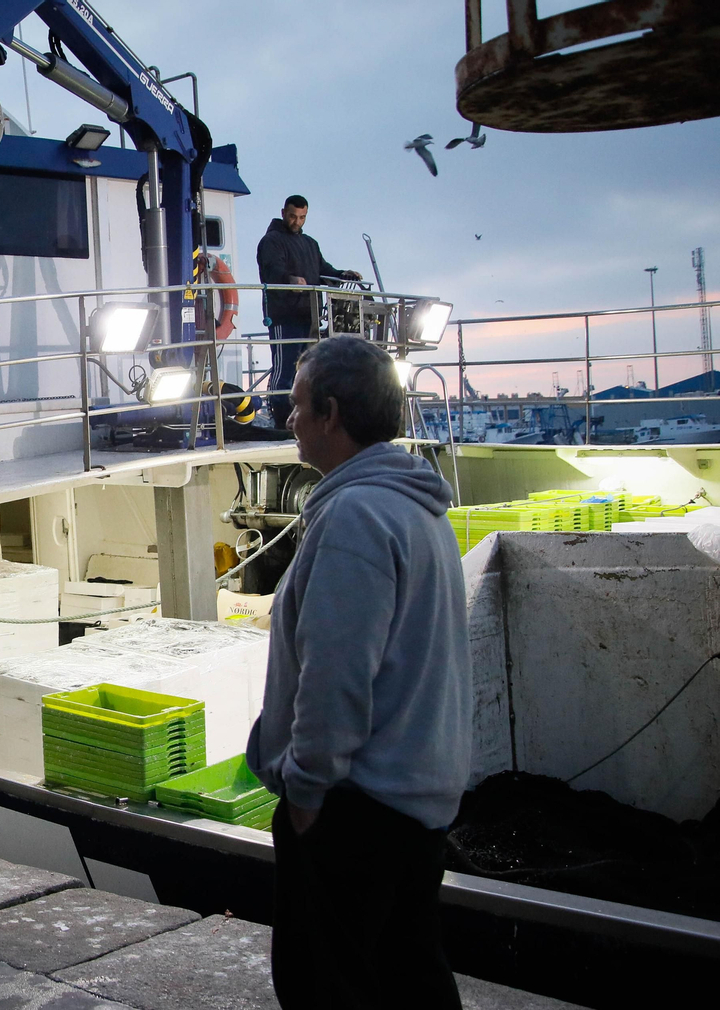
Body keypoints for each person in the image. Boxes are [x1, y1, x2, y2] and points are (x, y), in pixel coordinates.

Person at [245, 336, 471, 1009]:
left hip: (357, 810)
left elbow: (336, 675)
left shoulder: (354, 516)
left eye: (298, 405)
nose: (289, 418)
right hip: (415, 802)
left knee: (328, 987)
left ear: (332, 413)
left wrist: (307, 793)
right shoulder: (418, 508)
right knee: (410, 979)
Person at [256, 195, 362, 428]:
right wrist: (290, 279)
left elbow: (323, 270)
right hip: (284, 316)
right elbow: (272, 271)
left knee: (307, 371)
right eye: (293, 216)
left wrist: (343, 275)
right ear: (283, 213)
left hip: (310, 317)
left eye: (302, 217)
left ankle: (303, 420)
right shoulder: (271, 241)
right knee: (284, 370)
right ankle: (281, 421)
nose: (297, 222)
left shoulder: (310, 244)